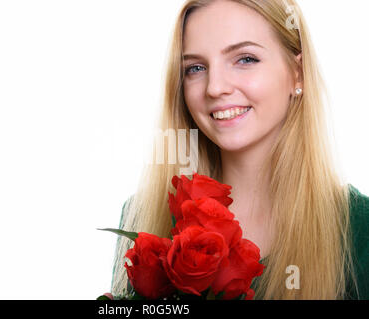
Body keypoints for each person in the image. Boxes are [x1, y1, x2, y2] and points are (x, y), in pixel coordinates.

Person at [110, 0, 369, 300]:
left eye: (245, 59)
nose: (214, 87)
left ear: (297, 73)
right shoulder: (142, 222)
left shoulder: (359, 230)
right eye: (195, 68)